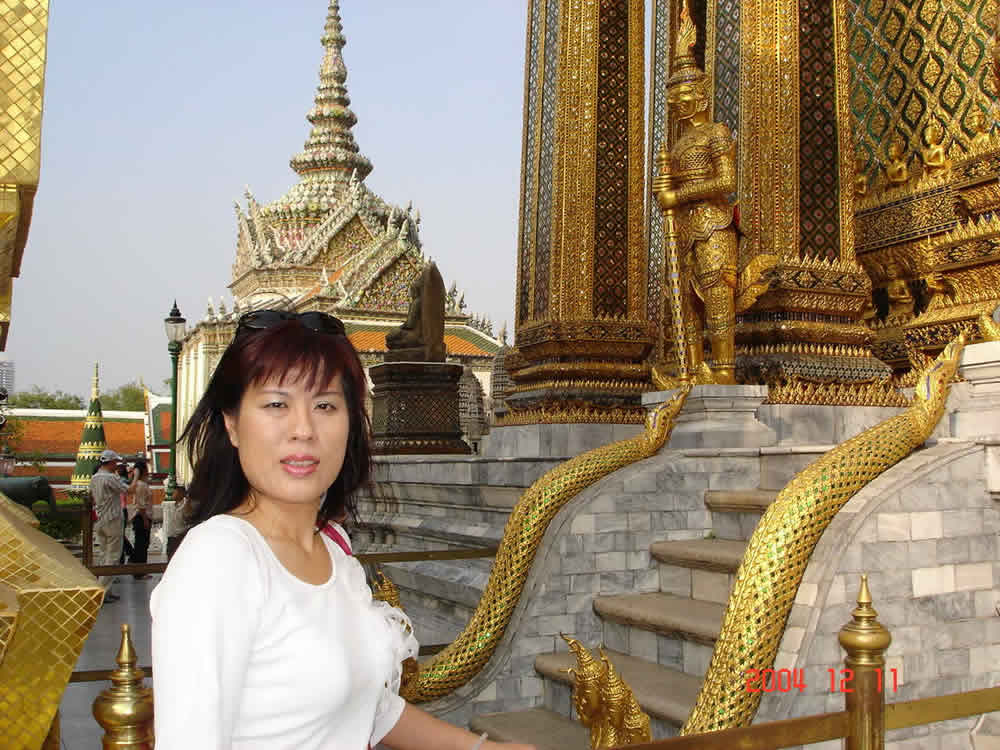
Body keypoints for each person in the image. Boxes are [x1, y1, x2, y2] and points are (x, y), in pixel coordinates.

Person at [150, 310, 535, 750]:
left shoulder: (332, 546)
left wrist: (483, 748)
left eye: (325, 406)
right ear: (232, 424)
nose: (303, 430)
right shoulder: (221, 558)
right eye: (276, 404)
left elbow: (367, 707)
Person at [90, 449, 126, 603]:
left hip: (100, 519)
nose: (116, 465)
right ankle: (101, 591)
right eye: (115, 462)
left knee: (104, 555)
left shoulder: (94, 478)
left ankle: (105, 591)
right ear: (110, 462)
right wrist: (136, 476)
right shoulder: (110, 478)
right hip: (113, 519)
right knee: (113, 556)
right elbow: (128, 490)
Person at [127, 458, 152, 577]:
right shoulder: (141, 485)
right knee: (141, 545)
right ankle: (140, 571)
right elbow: (141, 505)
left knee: (141, 544)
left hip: (141, 516)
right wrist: (145, 520)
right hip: (142, 517)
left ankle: (139, 570)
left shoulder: (140, 484)